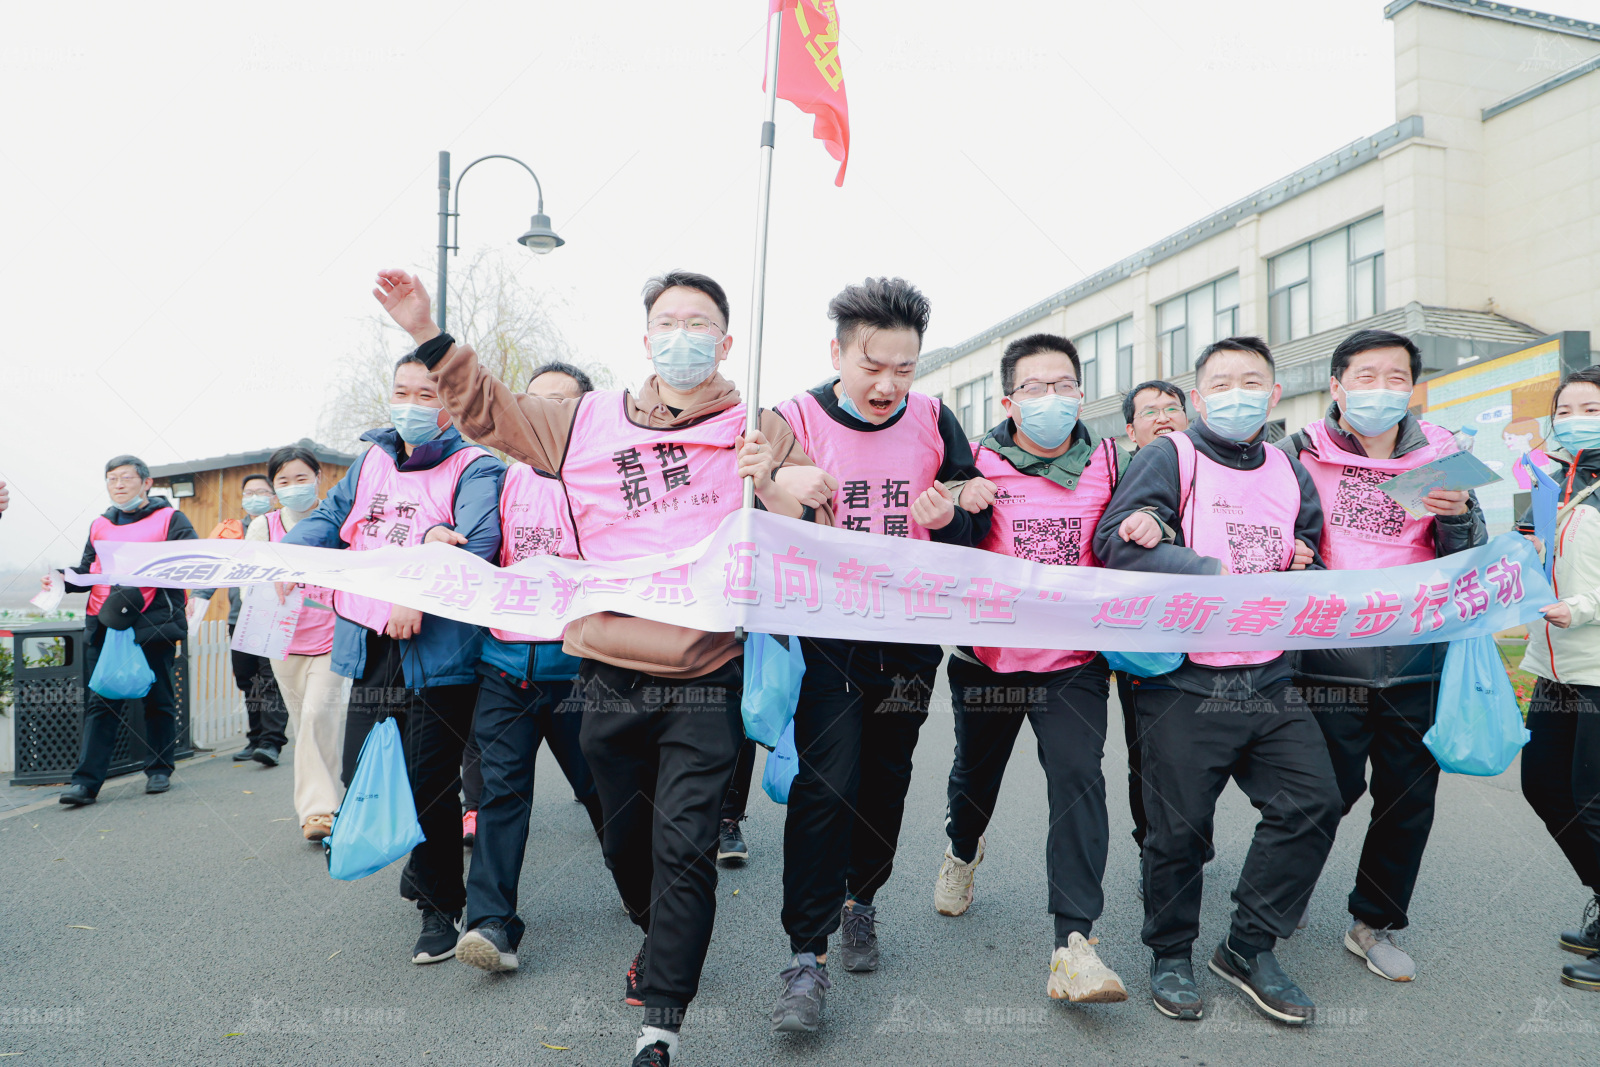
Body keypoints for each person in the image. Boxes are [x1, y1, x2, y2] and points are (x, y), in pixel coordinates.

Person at [378, 265, 827, 1067]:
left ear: (725, 342)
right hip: (605, 674)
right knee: (628, 846)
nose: (682, 336)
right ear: (647, 336)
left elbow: (811, 502)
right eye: (668, 321)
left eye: (700, 324)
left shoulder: (755, 424)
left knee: (685, 846)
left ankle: (662, 1022)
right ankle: (656, 931)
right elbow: (490, 409)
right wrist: (424, 331)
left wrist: (777, 481)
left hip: (704, 673)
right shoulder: (585, 422)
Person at [1092, 336, 1340, 1027]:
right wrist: (1206, 573)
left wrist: (1303, 564)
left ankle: (1247, 945)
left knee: (1315, 800)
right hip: (1186, 677)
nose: (1237, 393)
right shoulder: (1169, 456)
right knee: (1177, 829)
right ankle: (1170, 953)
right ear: (1198, 399)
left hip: (1268, 674)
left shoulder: (1291, 470)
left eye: (1251, 381)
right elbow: (1114, 544)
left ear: (1274, 393)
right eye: (1221, 383)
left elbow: (1314, 558)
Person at [766, 278, 986, 1034]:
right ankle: (805, 955)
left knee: (885, 778)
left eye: (905, 367)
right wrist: (777, 482)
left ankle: (862, 900)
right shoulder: (790, 420)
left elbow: (971, 524)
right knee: (825, 785)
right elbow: (745, 511)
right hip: (825, 638)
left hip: (909, 640)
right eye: (872, 366)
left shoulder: (934, 419)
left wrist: (949, 515)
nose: (890, 384)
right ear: (836, 352)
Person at [282, 352, 504, 966]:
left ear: (452, 403)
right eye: (401, 390)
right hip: (371, 643)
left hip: (439, 653)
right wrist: (288, 557)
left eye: (426, 393)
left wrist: (417, 580)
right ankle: (424, 871)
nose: (410, 404)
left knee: (429, 784)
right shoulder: (373, 460)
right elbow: (332, 518)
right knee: (365, 773)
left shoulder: (477, 466)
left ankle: (440, 907)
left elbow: (478, 545)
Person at [1277, 328, 1484, 982]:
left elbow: (1471, 557)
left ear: (1412, 388)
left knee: (1406, 798)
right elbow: (1271, 538)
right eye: (1365, 376)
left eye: (1395, 376)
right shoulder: (1299, 451)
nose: (1380, 388)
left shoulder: (1442, 454)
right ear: (1337, 386)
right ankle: (1285, 892)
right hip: (1327, 658)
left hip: (1416, 659)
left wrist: (1453, 517)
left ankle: (1375, 922)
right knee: (1322, 791)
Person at [932, 333, 1129, 1002]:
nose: (1053, 399)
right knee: (973, 780)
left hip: (1072, 661)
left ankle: (1074, 947)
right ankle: (963, 847)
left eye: (1064, 385)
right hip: (987, 659)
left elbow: (1137, 530)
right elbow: (948, 547)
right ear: (1009, 400)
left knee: (1079, 780)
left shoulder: (1111, 460)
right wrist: (958, 508)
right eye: (1036, 389)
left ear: (1080, 390)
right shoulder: (977, 462)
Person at [455, 362, 611, 975]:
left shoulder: (602, 482)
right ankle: (491, 923)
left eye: (560, 405)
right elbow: (475, 549)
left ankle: (655, 907)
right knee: (500, 795)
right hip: (504, 666)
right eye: (534, 403)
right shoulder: (498, 478)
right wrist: (446, 542)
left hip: (582, 671)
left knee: (608, 795)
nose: (542, 415)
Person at [56, 456, 205, 806]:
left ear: (147, 483)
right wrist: (63, 578)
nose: (118, 485)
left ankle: (158, 769)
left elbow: (192, 560)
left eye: (126, 478)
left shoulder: (171, 519)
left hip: (153, 621)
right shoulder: (100, 524)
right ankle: (86, 783)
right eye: (111, 479)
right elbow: (88, 570)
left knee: (159, 699)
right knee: (101, 701)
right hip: (106, 623)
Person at [1518, 365, 1600, 993]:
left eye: (1590, 407)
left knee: (1593, 804)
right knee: (1545, 785)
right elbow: (1531, 553)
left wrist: (1580, 608)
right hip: (1555, 667)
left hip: (1596, 670)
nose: (1575, 418)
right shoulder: (1560, 486)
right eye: (1566, 409)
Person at [243, 446, 349, 841]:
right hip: (284, 640)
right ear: (274, 488)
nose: (293, 487)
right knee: (311, 723)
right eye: (283, 481)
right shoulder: (264, 527)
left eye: (301, 478)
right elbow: (249, 582)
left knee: (318, 714)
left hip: (332, 635)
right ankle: (331, 803)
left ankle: (316, 812)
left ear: (319, 477)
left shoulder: (340, 520)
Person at [1118, 380, 1191, 879]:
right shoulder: (1117, 479)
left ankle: (1188, 839)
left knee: (1204, 754)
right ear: (1130, 431)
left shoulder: (1211, 471)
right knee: (1149, 753)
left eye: (1172, 408)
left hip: (1220, 639)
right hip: (1147, 646)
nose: (1163, 417)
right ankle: (1153, 848)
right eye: (1150, 412)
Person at [195, 474, 290, 768]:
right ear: (242, 498)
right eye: (249, 492)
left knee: (269, 679)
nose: (255, 497)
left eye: (262, 492)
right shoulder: (231, 532)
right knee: (247, 679)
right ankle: (255, 737)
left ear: (274, 498)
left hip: (276, 615)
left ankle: (271, 743)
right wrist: (198, 598)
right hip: (241, 616)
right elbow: (213, 569)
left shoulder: (283, 527)